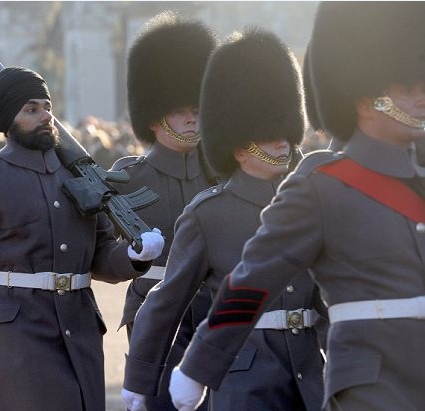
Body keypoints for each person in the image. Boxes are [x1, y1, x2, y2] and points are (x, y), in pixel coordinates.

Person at [170, 3, 425, 411]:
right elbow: (253, 278)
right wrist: (200, 365)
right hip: (370, 385)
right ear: (364, 101)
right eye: (407, 91)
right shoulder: (321, 186)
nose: (420, 98)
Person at [0, 66, 165, 411]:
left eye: (47, 107)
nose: (45, 116)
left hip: (79, 328)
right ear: (8, 121)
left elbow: (100, 254)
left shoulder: (78, 176)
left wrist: (134, 257)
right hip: (21, 334)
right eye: (31, 109)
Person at [123, 28, 326, 411]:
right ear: (238, 146)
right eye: (269, 134)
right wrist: (141, 377)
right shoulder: (208, 214)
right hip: (243, 376)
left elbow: (328, 297)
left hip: (308, 373)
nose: (283, 142)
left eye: (285, 131)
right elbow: (167, 301)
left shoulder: (309, 204)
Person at [111, 12, 217, 410]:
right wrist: (131, 257)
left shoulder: (220, 174)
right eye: (180, 110)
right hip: (152, 311)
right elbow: (101, 252)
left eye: (197, 107)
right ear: (155, 118)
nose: (192, 117)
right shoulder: (127, 177)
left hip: (211, 307)